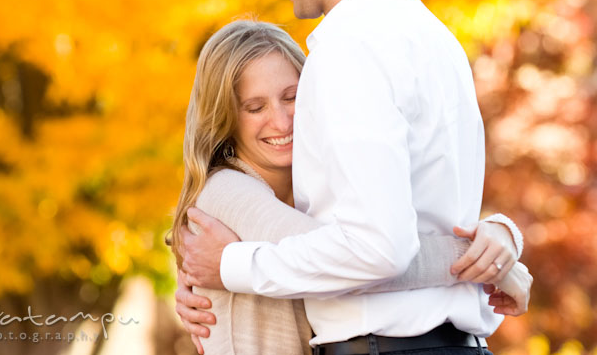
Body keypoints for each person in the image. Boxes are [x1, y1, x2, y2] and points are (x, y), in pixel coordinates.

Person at [176, 0, 533, 354]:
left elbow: (379, 249)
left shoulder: (348, 50)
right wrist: (494, 248)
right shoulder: (435, 38)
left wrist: (231, 266)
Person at [171, 20, 531, 355]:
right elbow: (363, 261)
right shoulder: (226, 192)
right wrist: (492, 260)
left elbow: (387, 236)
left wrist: (499, 236)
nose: (281, 120)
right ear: (225, 116)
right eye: (254, 107)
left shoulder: (310, 191)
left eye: (292, 97)